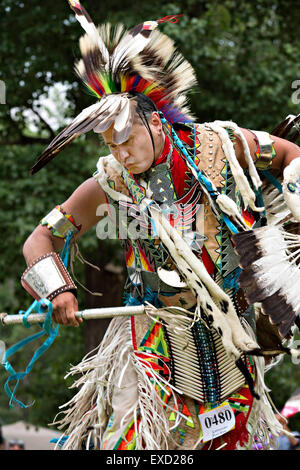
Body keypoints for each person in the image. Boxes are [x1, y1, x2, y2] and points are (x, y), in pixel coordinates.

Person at [21, 0, 300, 450]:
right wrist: (58, 289)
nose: (121, 154)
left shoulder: (224, 145)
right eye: (110, 145)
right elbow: (42, 238)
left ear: (156, 122)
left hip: (235, 332)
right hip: (152, 336)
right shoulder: (111, 181)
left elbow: (292, 155)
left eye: (127, 139)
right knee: (133, 445)